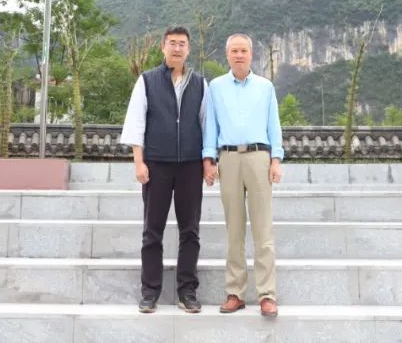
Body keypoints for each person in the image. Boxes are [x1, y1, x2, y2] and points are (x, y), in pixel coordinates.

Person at [119, 25, 208, 314]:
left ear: (188, 49)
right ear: (163, 46)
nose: (177, 48)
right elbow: (136, 121)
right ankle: (150, 292)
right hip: (156, 164)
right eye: (172, 43)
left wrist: (208, 162)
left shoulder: (200, 83)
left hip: (190, 166)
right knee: (152, 230)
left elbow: (207, 124)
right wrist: (139, 161)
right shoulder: (147, 80)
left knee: (190, 231)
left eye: (182, 44)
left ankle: (187, 292)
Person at [202, 33, 284, 318]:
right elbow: (210, 126)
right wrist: (208, 160)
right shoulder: (215, 87)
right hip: (228, 159)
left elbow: (274, 125)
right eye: (234, 51)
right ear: (227, 55)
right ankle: (235, 293)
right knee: (234, 229)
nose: (239, 55)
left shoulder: (265, 87)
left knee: (263, 229)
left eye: (243, 51)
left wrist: (276, 160)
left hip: (259, 157)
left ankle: (267, 295)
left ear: (251, 54)